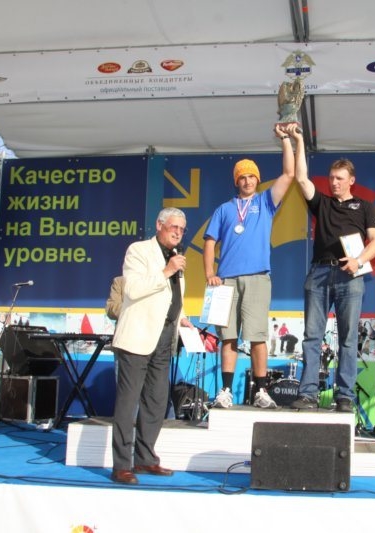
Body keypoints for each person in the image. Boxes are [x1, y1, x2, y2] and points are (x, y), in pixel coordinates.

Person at [203, 124, 303, 409]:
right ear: (236, 181)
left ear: (257, 179)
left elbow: (289, 174)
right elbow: (209, 242)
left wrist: (285, 140)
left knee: (258, 337)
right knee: (228, 337)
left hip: (258, 278)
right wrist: (210, 274)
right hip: (226, 281)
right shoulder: (224, 209)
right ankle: (225, 391)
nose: (247, 181)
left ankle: (261, 391)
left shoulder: (265, 201)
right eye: (242, 177)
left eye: (251, 176)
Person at [290, 158, 375, 412]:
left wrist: (358, 260)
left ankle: (344, 396)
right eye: (331, 178)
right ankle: (308, 394)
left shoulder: (365, 207)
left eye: (339, 178)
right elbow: (301, 178)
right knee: (312, 337)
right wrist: (297, 141)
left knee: (348, 338)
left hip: (350, 275)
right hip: (319, 273)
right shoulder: (322, 203)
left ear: (351, 180)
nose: (334, 182)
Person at [110, 207, 194, 484]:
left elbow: (172, 296)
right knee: (128, 403)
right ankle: (121, 465)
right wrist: (167, 270)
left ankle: (145, 459)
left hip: (165, 337)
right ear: (159, 225)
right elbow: (132, 289)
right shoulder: (139, 250)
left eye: (182, 229)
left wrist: (182, 318)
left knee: (156, 402)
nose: (178, 233)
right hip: (138, 336)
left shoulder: (175, 256)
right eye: (173, 227)